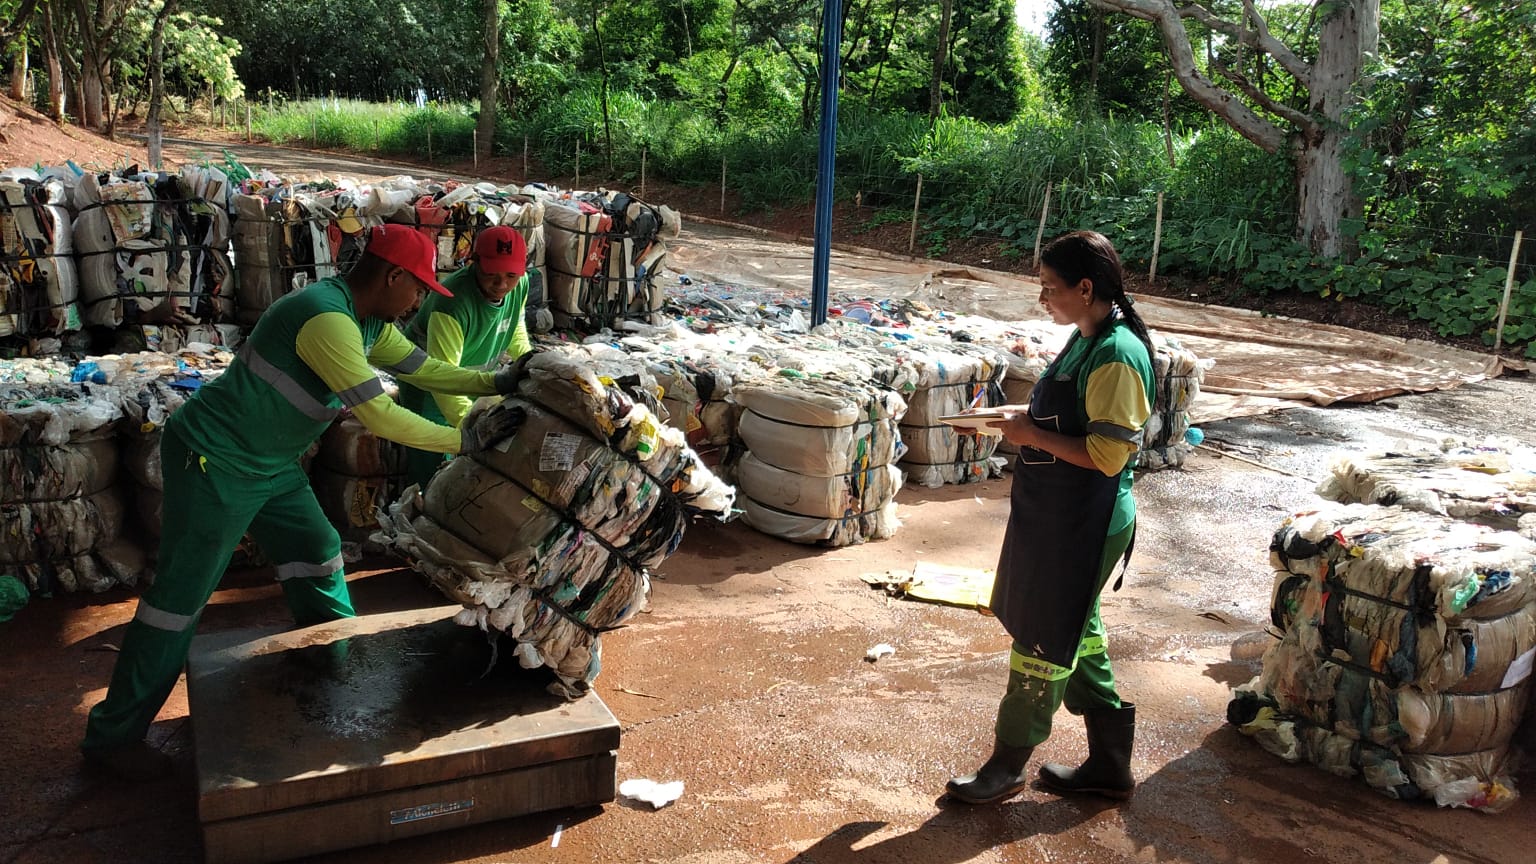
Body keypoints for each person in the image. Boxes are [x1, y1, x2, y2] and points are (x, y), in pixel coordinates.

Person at [81, 224, 524, 781]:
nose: (418, 301)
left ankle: (333, 663)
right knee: (178, 599)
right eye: (417, 288)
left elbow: (424, 368)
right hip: (217, 459)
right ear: (392, 276)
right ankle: (114, 736)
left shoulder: (368, 320)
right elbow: (381, 415)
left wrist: (497, 382)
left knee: (316, 550)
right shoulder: (326, 319)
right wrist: (465, 441)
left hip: (271, 464)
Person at [946, 230, 1155, 805]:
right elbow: (1063, 415)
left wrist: (1028, 434)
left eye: (1049, 288)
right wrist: (1004, 418)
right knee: (1076, 630)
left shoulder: (1118, 355)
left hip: (1086, 521)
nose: (1042, 299)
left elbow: (1109, 455)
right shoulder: (1085, 338)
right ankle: (1110, 766)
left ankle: (1007, 763)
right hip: (1057, 514)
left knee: (1044, 637)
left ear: (1085, 288)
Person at [398, 225, 534, 488]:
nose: (502, 285)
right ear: (474, 262)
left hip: (475, 383)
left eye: (511, 275)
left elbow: (513, 325)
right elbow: (442, 377)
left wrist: (528, 362)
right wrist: (473, 427)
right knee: (433, 472)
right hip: (430, 390)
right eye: (491, 274)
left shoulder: (520, 285)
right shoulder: (451, 303)